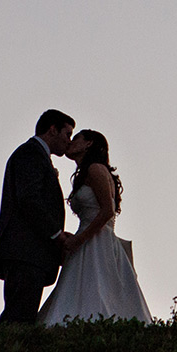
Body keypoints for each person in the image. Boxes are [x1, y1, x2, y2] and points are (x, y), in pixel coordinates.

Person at [38, 128, 153, 324]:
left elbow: (108, 210)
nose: (70, 142)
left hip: (96, 241)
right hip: (86, 237)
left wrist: (80, 239)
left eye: (76, 138)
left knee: (97, 290)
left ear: (88, 143)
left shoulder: (95, 169)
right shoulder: (86, 172)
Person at [0, 109, 74, 326]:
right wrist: (56, 235)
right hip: (25, 252)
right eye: (67, 134)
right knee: (19, 316)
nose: (69, 141)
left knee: (21, 312)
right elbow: (29, 200)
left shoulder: (35, 155)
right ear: (52, 130)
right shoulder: (30, 154)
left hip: (29, 252)